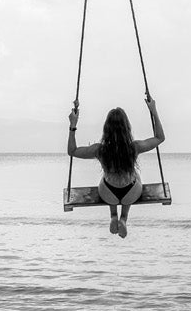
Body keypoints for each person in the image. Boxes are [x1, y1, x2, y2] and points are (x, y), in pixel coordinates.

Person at [68, 97, 165, 237]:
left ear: (106, 128)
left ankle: (113, 215)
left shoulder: (99, 150)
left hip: (109, 194)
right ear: (127, 127)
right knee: (135, 175)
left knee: (106, 178)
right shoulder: (134, 147)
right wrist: (153, 110)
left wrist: (73, 125)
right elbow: (159, 138)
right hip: (131, 193)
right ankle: (124, 219)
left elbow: (72, 151)